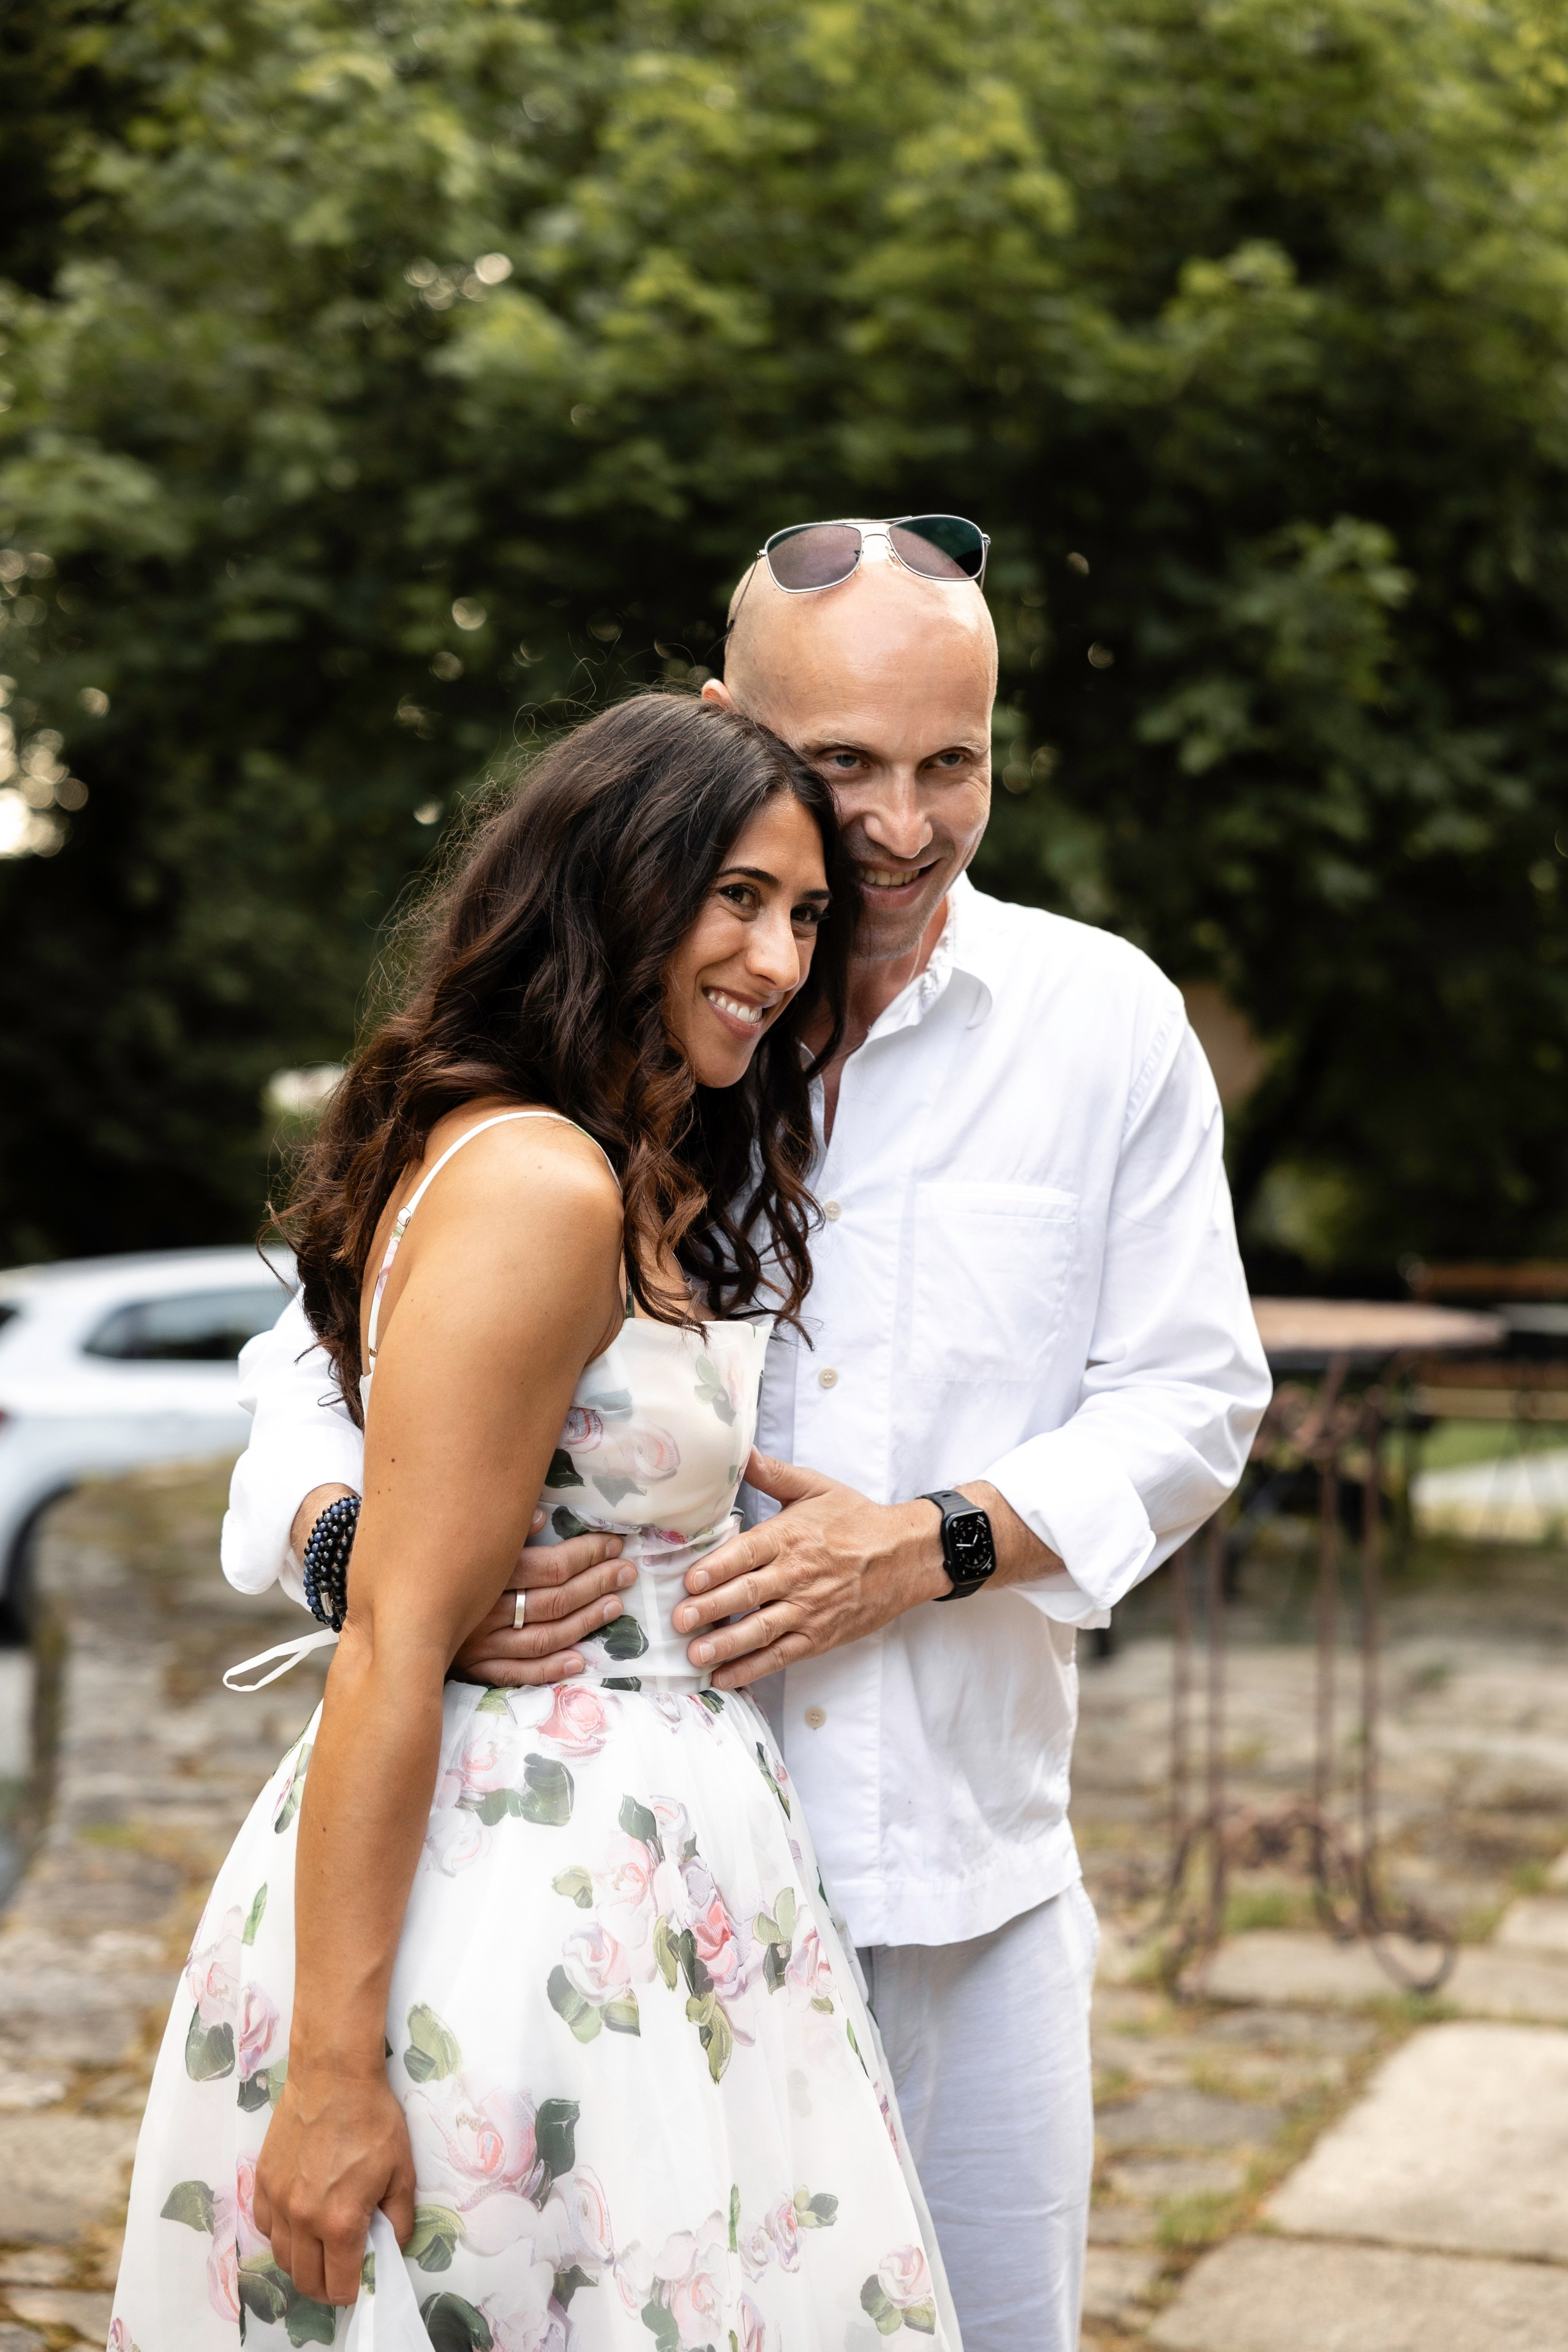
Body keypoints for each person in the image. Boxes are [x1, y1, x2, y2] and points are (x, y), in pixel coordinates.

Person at [225, 516, 1272, 2351]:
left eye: (955, 763)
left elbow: (1197, 1396)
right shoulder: (609, 1053)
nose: (899, 823)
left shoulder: (1105, 1023)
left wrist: (939, 1540)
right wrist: (371, 1564)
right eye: (843, 765)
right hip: (603, 1891)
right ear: (729, 730)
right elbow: (312, 1377)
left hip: (963, 1876)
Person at [110, 695, 964, 2352]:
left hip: (637, 1869)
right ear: (615, 883)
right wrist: (336, 2079)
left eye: (803, 917)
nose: (781, 960)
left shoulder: (593, 1158)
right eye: (738, 897)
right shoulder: (540, 1183)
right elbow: (393, 1651)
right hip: (520, 1875)